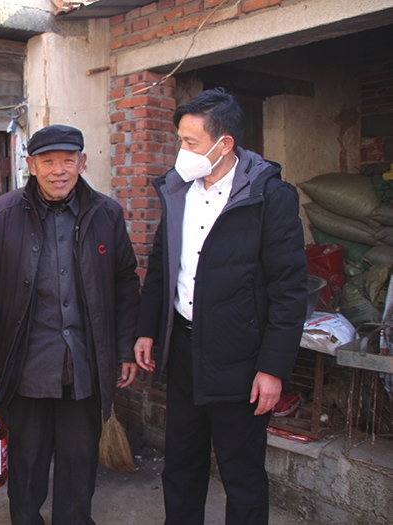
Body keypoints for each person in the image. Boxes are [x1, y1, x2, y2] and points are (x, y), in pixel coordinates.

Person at [133, 87, 308, 524]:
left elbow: (289, 289)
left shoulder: (269, 197)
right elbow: (161, 268)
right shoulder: (179, 192)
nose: (181, 151)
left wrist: (273, 368)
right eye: (180, 140)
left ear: (224, 143)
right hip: (184, 353)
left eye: (190, 142)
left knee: (241, 476)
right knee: (180, 466)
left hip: (241, 361)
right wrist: (148, 329)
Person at [0, 124, 141, 524]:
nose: (58, 170)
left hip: (84, 362)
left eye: (68, 160)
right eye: (48, 161)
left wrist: (123, 350)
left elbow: (125, 282)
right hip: (26, 364)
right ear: (31, 165)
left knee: (80, 461)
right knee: (26, 462)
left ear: (83, 162)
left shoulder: (107, 214)